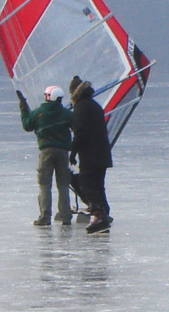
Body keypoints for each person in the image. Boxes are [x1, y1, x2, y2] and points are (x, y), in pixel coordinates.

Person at [19, 85, 74, 226]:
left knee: (45, 185)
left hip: (46, 152)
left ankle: (45, 216)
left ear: (47, 96)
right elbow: (76, 126)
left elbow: (27, 125)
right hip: (63, 153)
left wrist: (24, 109)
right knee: (63, 186)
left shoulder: (39, 113)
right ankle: (66, 216)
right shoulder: (66, 113)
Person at [69, 76, 114, 233]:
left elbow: (80, 132)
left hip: (90, 155)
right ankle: (103, 214)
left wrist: (73, 152)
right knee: (98, 186)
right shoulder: (94, 105)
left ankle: (99, 215)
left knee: (88, 185)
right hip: (102, 153)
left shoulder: (81, 107)